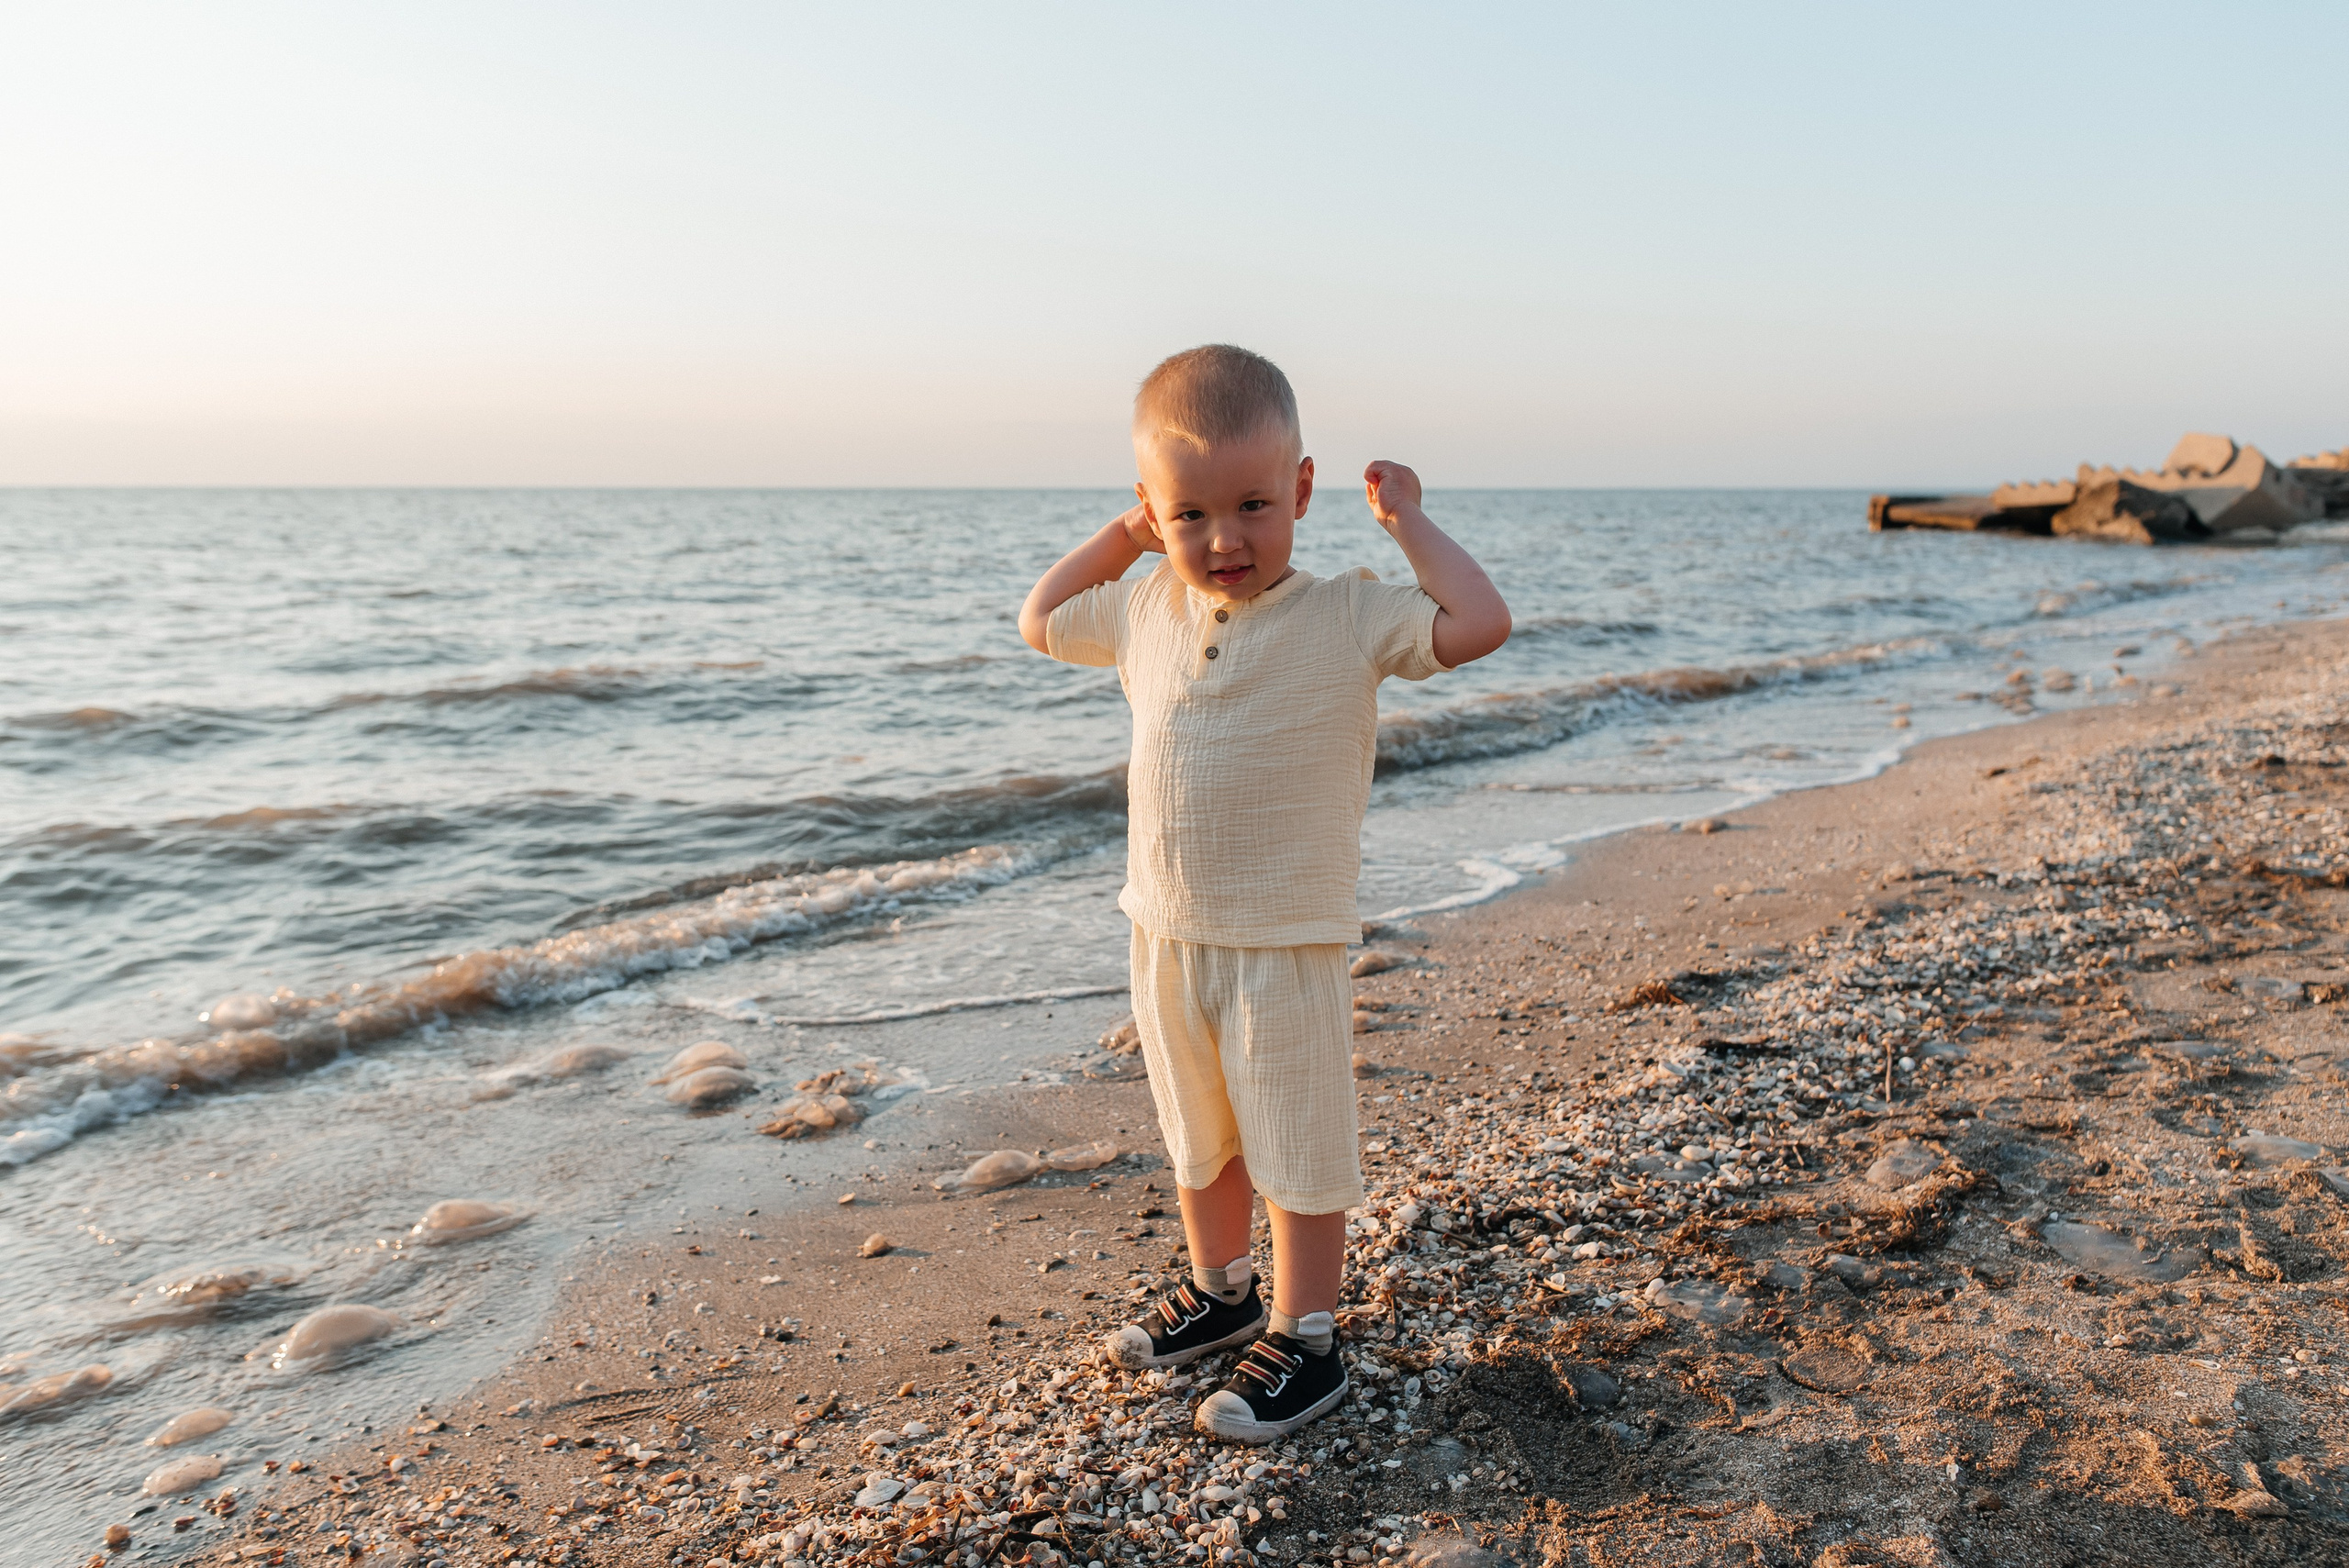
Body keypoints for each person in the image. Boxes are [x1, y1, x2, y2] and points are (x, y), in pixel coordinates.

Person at [1018, 344, 1509, 1443]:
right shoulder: (1144, 604)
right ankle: (1224, 1289)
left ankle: (1310, 1333)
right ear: (1154, 513)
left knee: (1294, 1137)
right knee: (1200, 1131)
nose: (1223, 538)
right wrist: (1121, 538)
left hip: (1283, 938)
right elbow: (1041, 618)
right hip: (1165, 926)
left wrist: (1410, 525)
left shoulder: (1347, 613)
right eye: (1188, 514)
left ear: (1299, 491)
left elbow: (1478, 623)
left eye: (1251, 504)